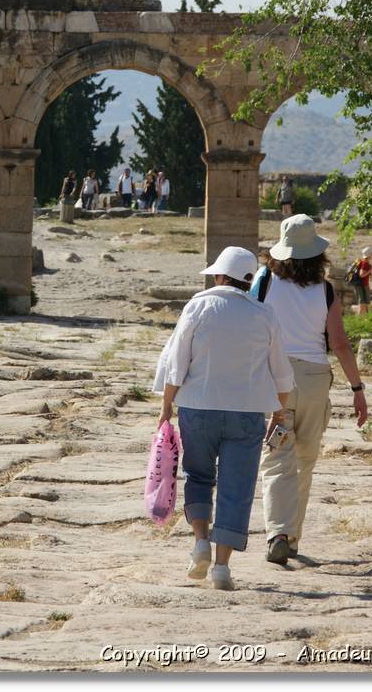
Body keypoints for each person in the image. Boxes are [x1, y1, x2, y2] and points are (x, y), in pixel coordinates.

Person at [153, 246, 293, 591]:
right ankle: (221, 568)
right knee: (237, 487)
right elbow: (281, 374)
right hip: (247, 413)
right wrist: (279, 413)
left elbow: (176, 362)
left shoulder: (198, 306)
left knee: (198, 475)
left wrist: (166, 407)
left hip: (198, 407)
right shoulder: (264, 315)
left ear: (218, 276)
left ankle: (200, 541)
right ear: (249, 281)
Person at [249, 214, 369, 566]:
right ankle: (293, 536)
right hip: (316, 378)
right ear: (316, 253)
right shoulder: (326, 289)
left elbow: (253, 325)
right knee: (305, 459)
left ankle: (278, 533)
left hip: (276, 378)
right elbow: (341, 344)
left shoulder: (265, 280)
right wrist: (357, 388)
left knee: (276, 457)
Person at [346, 247, 372, 314]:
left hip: (360, 285)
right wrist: (370, 270)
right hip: (362, 285)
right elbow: (361, 274)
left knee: (363, 303)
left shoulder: (363, 262)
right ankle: (361, 320)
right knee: (362, 304)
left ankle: (363, 320)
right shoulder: (365, 263)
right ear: (369, 255)